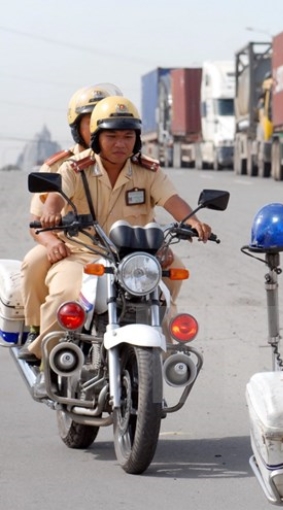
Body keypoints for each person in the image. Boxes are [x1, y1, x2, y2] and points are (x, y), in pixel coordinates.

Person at [23, 96, 213, 395]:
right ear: (96, 139)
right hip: (84, 253)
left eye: (128, 136)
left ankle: (162, 344)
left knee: (174, 271)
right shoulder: (75, 168)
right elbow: (58, 195)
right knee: (65, 292)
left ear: (137, 139)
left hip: (136, 255)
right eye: (111, 136)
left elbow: (172, 200)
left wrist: (192, 221)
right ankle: (50, 364)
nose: (120, 143)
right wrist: (51, 213)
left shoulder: (148, 171)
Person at [18, 83, 123, 363]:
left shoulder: (131, 164)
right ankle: (37, 330)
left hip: (121, 249)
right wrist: (51, 242)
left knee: (171, 271)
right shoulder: (57, 166)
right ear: (77, 127)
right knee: (33, 264)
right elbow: (38, 221)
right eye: (94, 122)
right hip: (70, 245)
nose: (102, 129)